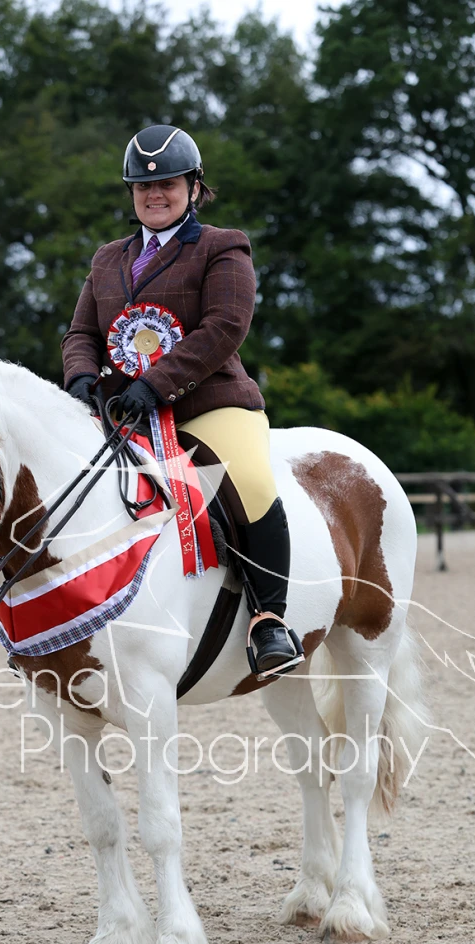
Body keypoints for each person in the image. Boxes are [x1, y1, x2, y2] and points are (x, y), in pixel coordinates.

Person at [61, 124, 303, 676]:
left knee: (250, 482)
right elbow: (81, 334)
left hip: (209, 403)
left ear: (194, 188)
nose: (155, 194)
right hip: (123, 409)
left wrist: (156, 384)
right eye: (143, 186)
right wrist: (80, 379)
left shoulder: (222, 246)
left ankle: (270, 619)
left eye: (167, 184)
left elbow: (225, 326)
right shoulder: (107, 259)